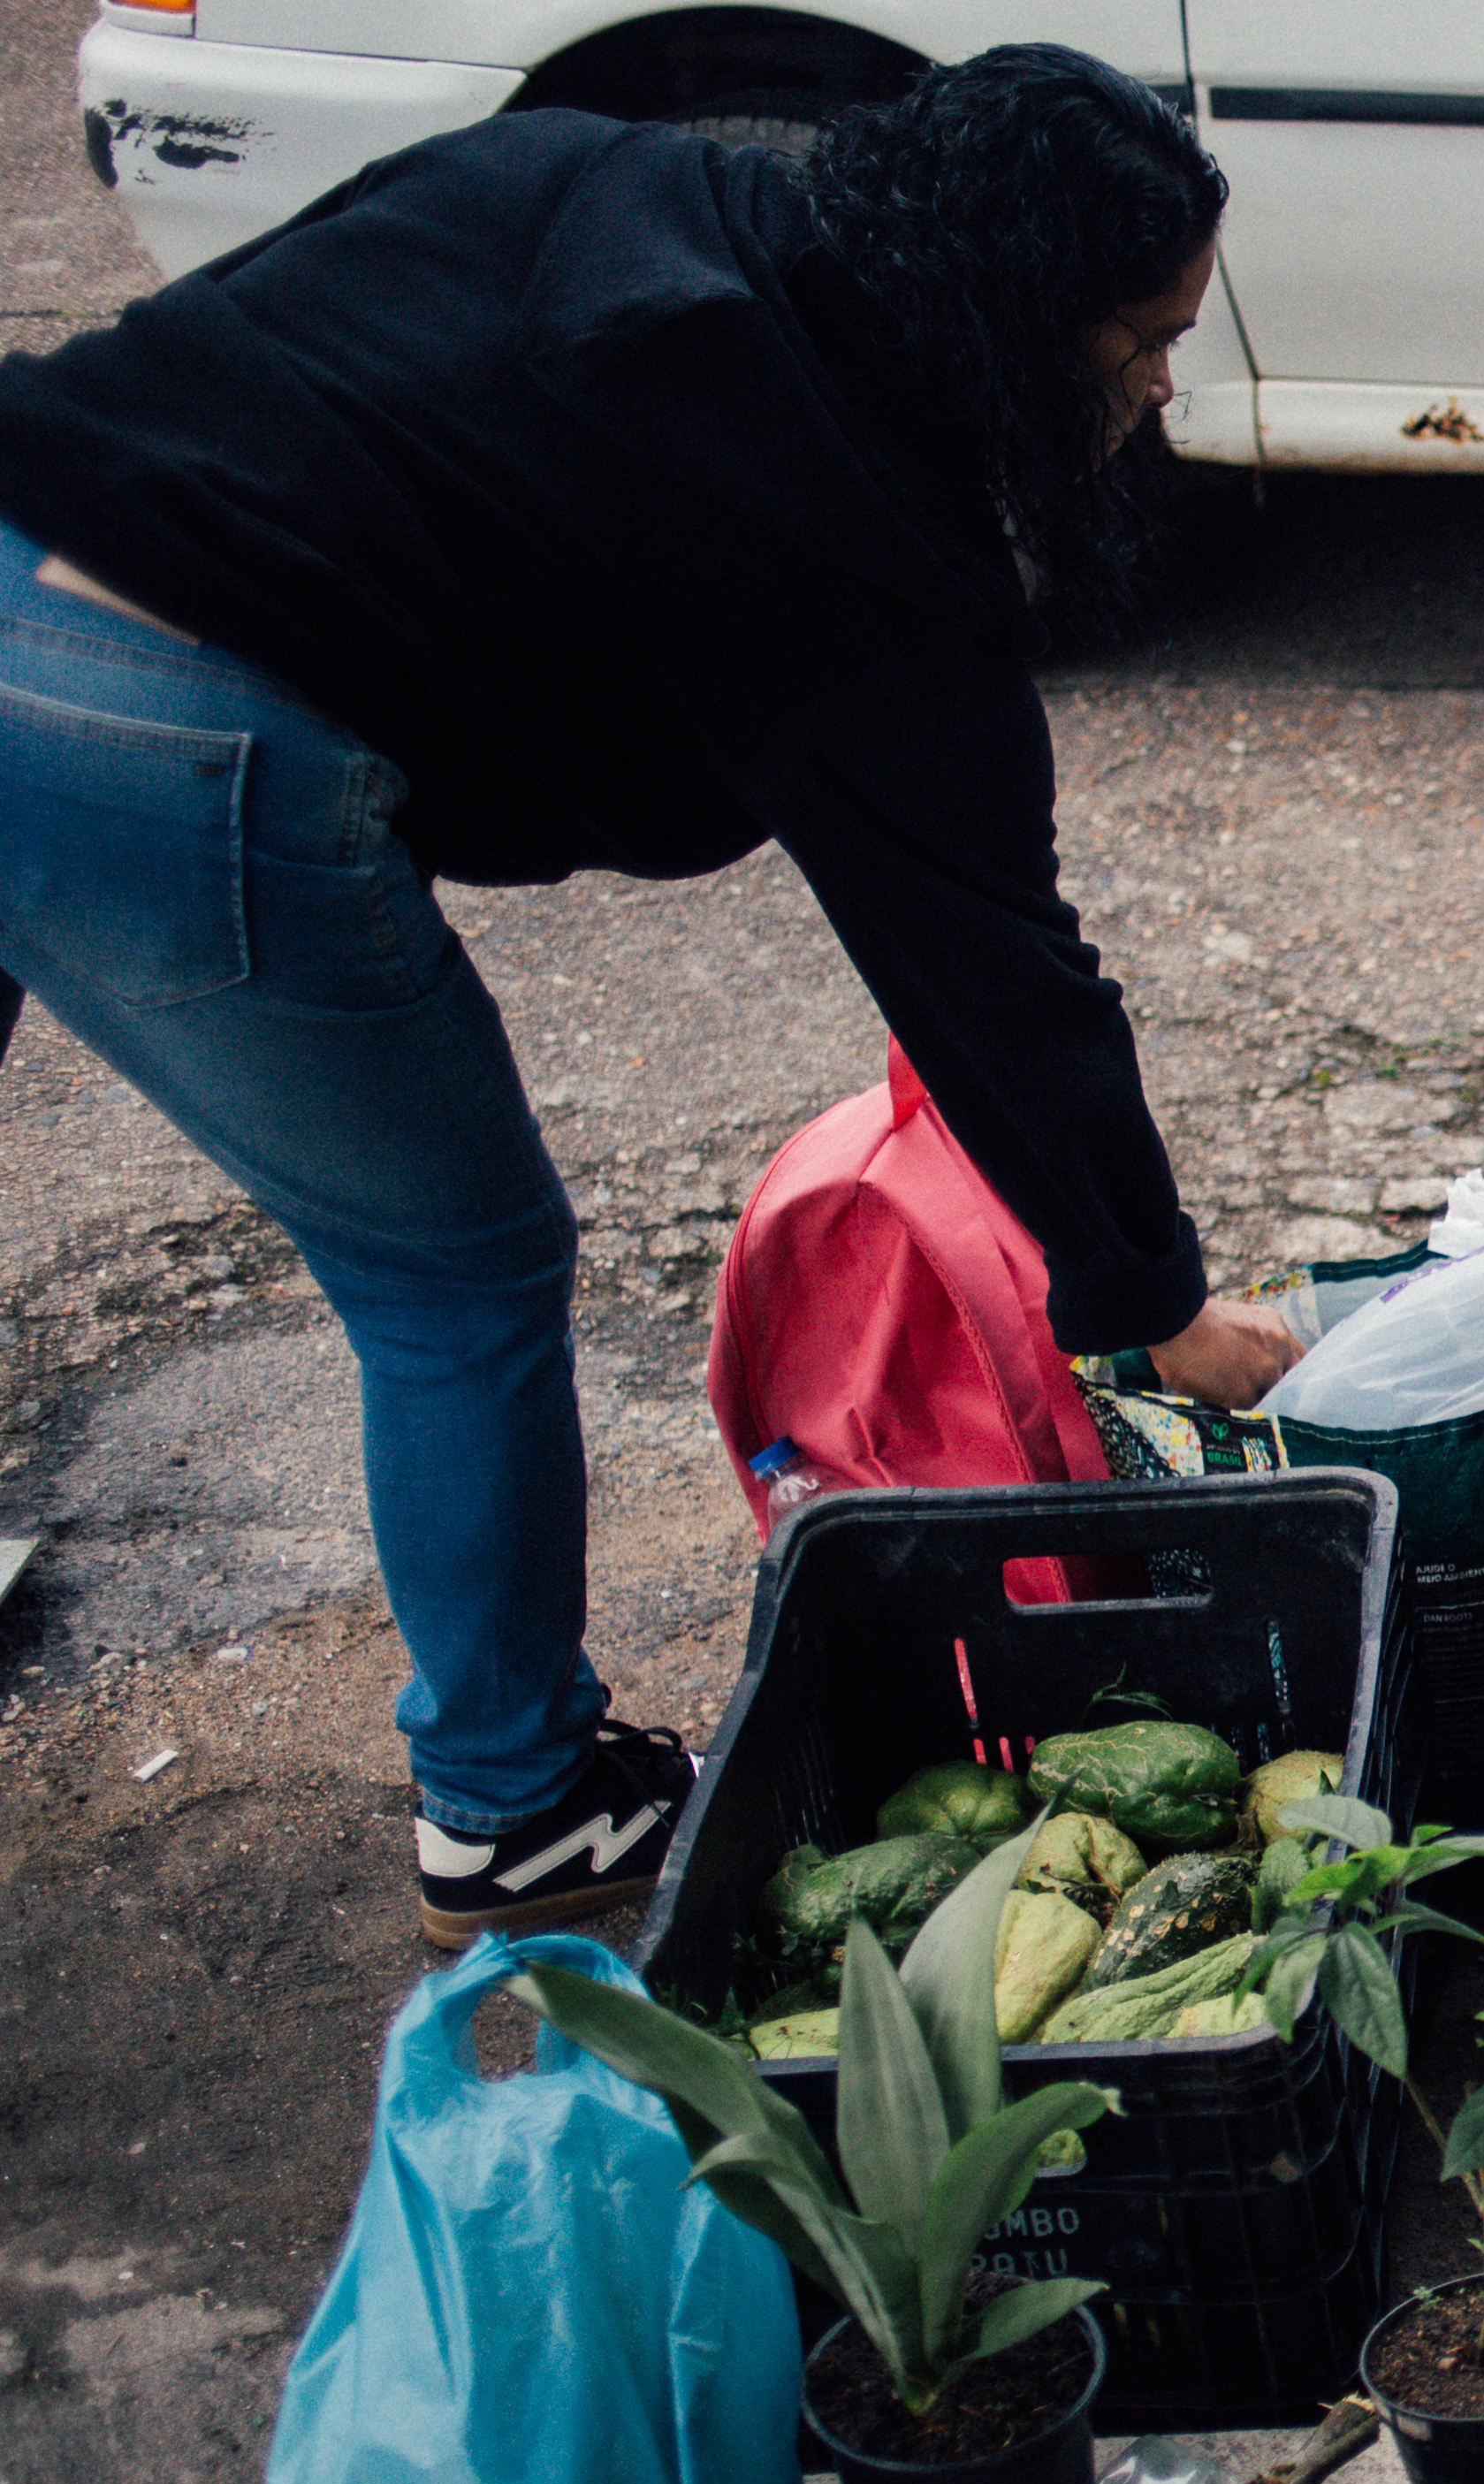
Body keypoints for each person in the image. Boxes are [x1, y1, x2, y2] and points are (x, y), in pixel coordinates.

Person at [0, 46, 1298, 1947]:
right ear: (1014, 318)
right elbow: (997, 974)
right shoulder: (842, 529)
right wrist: (1158, 1306)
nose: (1163, 387)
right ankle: (511, 1799)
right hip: (158, 735)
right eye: (1139, 342)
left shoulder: (609, 180)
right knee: (460, 1278)